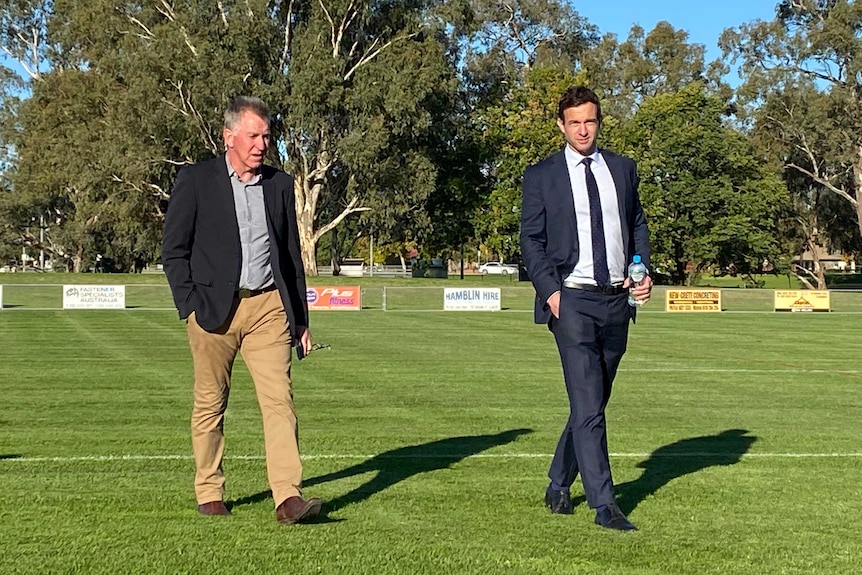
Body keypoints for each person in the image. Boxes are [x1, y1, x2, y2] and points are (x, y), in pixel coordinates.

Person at [162, 95, 321, 525]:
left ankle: (288, 496)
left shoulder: (280, 185)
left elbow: (290, 258)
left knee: (279, 401)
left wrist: (300, 319)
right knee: (211, 402)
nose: (261, 144)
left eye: (266, 136)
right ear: (228, 136)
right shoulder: (196, 181)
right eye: (253, 135)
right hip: (213, 310)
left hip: (268, 308)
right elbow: (173, 252)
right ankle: (210, 490)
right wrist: (190, 306)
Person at [519, 86, 653, 531]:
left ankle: (559, 480)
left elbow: (636, 224)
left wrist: (643, 272)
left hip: (618, 301)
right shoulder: (542, 176)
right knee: (589, 405)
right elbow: (531, 242)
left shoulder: (623, 169)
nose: (582, 129)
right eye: (574, 122)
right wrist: (553, 295)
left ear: (599, 122)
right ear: (561, 125)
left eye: (590, 121)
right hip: (571, 300)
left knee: (591, 404)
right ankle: (604, 505)